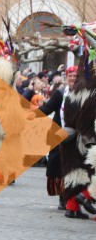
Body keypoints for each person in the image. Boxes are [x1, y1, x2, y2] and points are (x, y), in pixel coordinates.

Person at [40, 65, 76, 210]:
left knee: (73, 168)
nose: (72, 78)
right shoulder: (60, 93)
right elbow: (47, 108)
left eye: (75, 76)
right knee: (59, 167)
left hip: (76, 136)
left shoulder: (84, 93)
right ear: (66, 78)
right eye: (70, 76)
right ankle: (62, 197)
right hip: (58, 134)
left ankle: (73, 198)